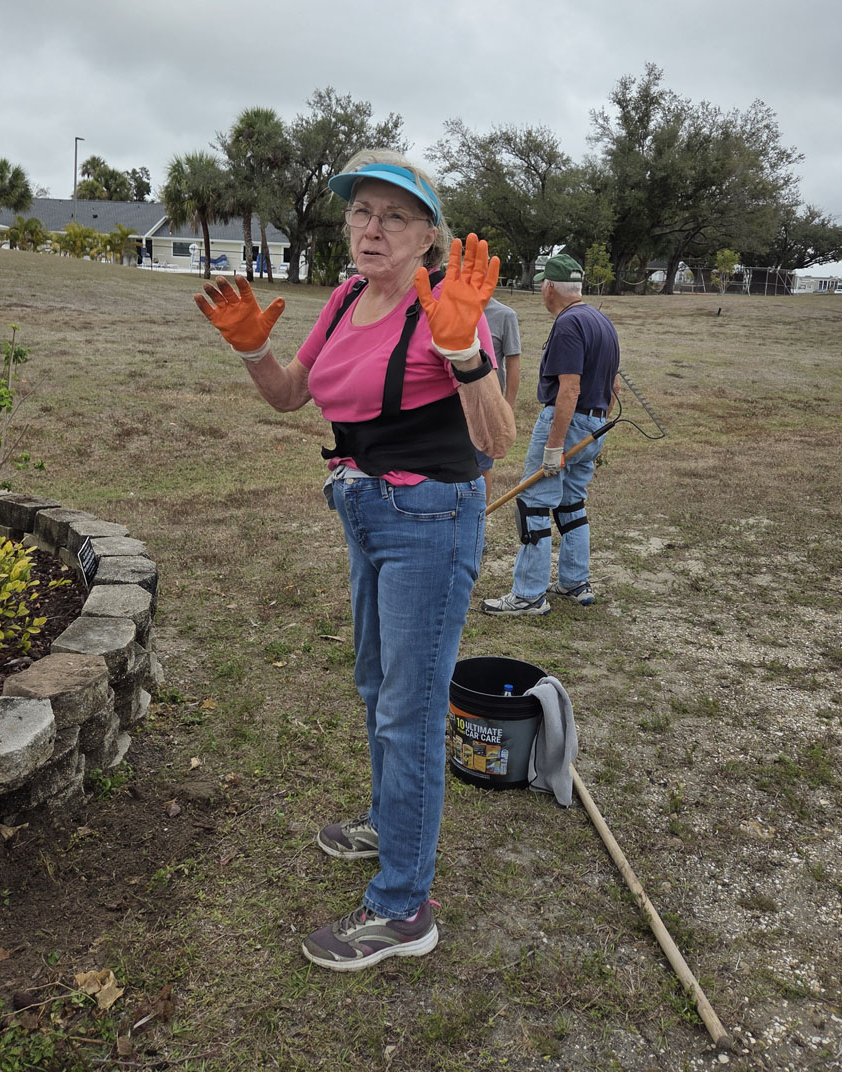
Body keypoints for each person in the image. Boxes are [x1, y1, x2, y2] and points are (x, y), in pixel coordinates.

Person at [194, 150, 515, 971]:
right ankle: (389, 819)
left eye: (394, 217)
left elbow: (496, 440)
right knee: (377, 687)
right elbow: (289, 394)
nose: (373, 229)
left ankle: (404, 909)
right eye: (362, 212)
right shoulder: (343, 298)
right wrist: (252, 352)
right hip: (364, 507)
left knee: (409, 709)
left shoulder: (446, 308)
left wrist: (464, 354)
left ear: (426, 237)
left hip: (429, 517)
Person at [482, 253, 619, 616]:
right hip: (594, 424)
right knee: (571, 502)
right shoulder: (600, 319)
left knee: (534, 503)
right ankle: (575, 581)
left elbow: (569, 389)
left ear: (550, 287)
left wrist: (554, 445)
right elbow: (614, 384)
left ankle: (528, 595)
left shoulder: (568, 323)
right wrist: (594, 426)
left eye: (542, 283)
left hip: (567, 426)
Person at [475, 296, 521, 502]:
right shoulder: (448, 307)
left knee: (482, 468)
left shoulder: (505, 315)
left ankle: (481, 517)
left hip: (487, 406)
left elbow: (513, 364)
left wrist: (507, 408)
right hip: (451, 405)